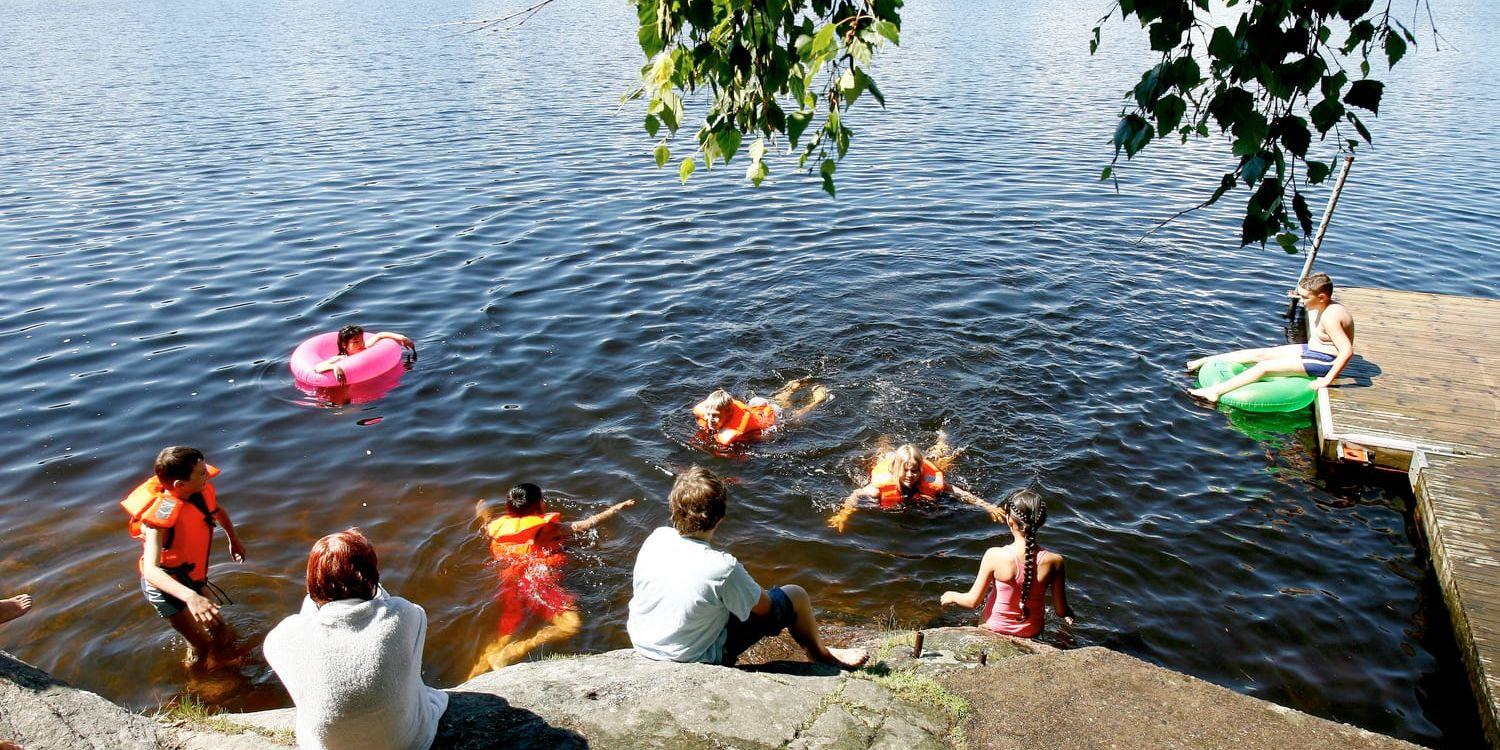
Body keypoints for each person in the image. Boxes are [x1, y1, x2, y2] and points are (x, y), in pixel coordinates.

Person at [627, 466, 867, 669]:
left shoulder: (656, 538)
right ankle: (820, 654)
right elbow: (764, 609)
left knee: (719, 598)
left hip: (644, 644)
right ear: (720, 517)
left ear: (673, 508)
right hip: (692, 658)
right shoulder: (722, 566)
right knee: (795, 594)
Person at [264, 529, 448, 750]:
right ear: (371, 576)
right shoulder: (407, 614)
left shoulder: (283, 637)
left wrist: (315, 602)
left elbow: (299, 627)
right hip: (409, 743)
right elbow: (389, 604)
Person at [469, 484, 636, 677]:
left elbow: (486, 521)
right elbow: (587, 524)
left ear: (509, 507)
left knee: (505, 634)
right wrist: (617, 508)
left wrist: (482, 511)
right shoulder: (549, 529)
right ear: (539, 505)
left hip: (510, 583)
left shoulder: (497, 527)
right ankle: (514, 651)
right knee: (571, 626)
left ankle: (473, 676)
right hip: (538, 583)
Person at [120, 446, 246, 667]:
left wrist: (233, 539)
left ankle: (223, 666)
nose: (207, 474)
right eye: (201, 472)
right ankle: (198, 685)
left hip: (192, 577)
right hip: (164, 587)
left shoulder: (199, 494)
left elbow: (218, 511)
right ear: (180, 484)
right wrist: (191, 597)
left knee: (220, 629)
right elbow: (151, 570)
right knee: (199, 644)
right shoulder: (161, 515)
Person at [1187, 272, 1354, 404]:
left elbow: (1347, 351)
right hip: (1313, 350)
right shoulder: (1322, 304)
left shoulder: (1331, 317)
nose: (1301, 301)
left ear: (1321, 297)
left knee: (1264, 367)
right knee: (1260, 354)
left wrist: (1326, 380)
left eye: (1304, 298)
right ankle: (1204, 360)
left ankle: (1215, 391)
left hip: (1325, 361)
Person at [939, 489, 1073, 638]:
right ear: (1041, 522)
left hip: (993, 628)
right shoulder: (1055, 561)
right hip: (1031, 632)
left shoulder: (995, 555)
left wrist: (952, 596)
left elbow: (972, 602)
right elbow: (1061, 611)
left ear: (1010, 520)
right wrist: (1069, 613)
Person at [828, 432, 1007, 532]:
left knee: (942, 461)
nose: (910, 475)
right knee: (884, 453)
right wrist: (842, 515)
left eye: (914, 470)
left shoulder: (925, 477)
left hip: (921, 463)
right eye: (905, 470)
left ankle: (941, 439)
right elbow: (855, 495)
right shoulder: (881, 485)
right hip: (891, 459)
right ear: (897, 469)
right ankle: (884, 441)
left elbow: (959, 492)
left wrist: (987, 506)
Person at [692, 378, 829, 446]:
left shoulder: (738, 432)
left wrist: (776, 434)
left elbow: (765, 437)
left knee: (794, 416)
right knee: (777, 401)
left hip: (769, 416)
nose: (710, 419)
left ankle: (816, 400)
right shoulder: (718, 414)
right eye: (709, 414)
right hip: (756, 407)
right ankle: (791, 388)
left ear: (728, 415)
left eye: (715, 417)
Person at [314, 325, 416, 385]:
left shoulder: (366, 347)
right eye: (356, 342)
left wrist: (402, 338)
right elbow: (317, 367)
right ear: (344, 345)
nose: (361, 344)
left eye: (362, 340)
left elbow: (380, 335)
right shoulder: (342, 358)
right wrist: (334, 367)